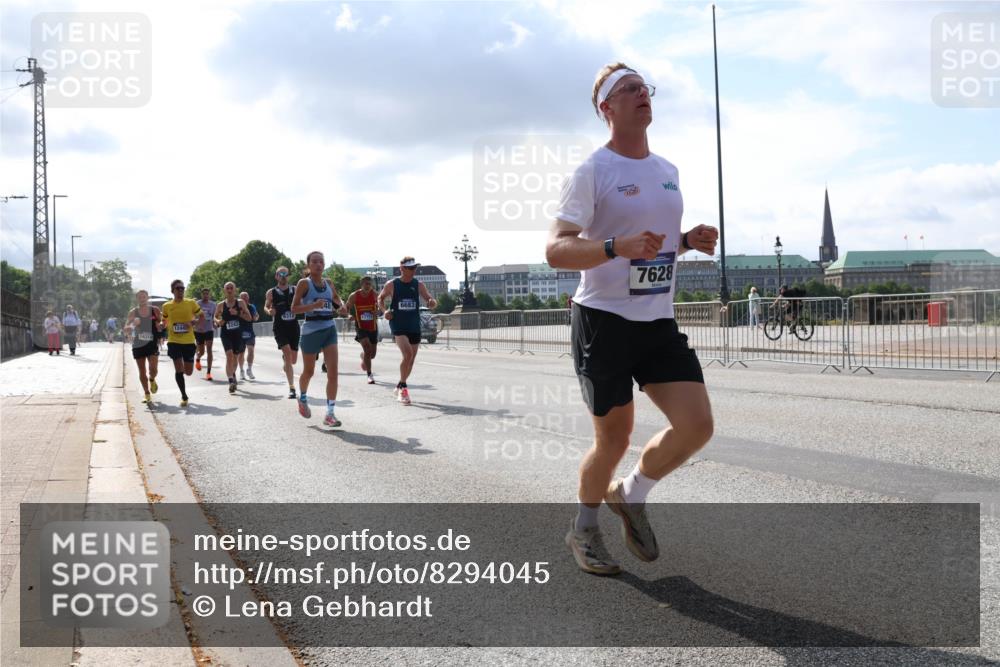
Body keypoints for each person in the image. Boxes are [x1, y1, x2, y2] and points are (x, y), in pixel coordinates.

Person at [545, 62, 719, 576]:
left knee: (697, 426)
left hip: (657, 319)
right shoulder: (593, 171)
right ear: (607, 108)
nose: (642, 94)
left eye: (645, 88)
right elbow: (556, 250)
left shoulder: (667, 171)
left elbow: (654, 245)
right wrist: (610, 246)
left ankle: (631, 493)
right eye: (629, 90)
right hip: (603, 320)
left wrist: (687, 241)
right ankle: (583, 530)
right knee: (614, 440)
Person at [290, 250, 346, 427]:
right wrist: (313, 305)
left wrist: (342, 306)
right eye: (314, 262)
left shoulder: (328, 282)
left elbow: (336, 298)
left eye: (321, 262)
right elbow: (294, 308)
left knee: (333, 373)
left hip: (329, 327)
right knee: (309, 371)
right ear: (308, 265)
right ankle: (303, 398)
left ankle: (330, 414)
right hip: (311, 330)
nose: (318, 264)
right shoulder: (304, 284)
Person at [378, 257, 436, 405]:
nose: (413, 270)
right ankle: (403, 389)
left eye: (414, 267)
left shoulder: (418, 284)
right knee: (407, 354)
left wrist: (432, 302)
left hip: (414, 325)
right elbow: (380, 298)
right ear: (402, 268)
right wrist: (385, 311)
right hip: (398, 324)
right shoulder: (392, 284)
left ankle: (400, 384)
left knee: (411, 360)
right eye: (410, 268)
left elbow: (430, 300)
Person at [161, 279, 204, 407]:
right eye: (178, 288)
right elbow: (165, 320)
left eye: (182, 288)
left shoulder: (191, 303)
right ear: (172, 291)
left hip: (188, 341)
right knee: (178, 368)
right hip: (174, 341)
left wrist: (193, 323)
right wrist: (161, 325)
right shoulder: (166, 306)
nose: (181, 290)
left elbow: (201, 316)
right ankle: (184, 396)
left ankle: (192, 361)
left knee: (189, 372)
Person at [265, 267, 301, 398]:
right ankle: (292, 388)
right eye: (281, 274)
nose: (283, 276)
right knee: (287, 353)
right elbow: (266, 306)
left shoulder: (295, 289)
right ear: (276, 276)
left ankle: (286, 362)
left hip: (293, 327)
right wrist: (269, 311)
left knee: (293, 360)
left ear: (288, 276)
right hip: (280, 327)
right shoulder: (271, 292)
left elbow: (302, 303)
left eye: (285, 274)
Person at [214, 282, 252, 394]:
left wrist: (238, 313)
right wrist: (219, 322)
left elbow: (249, 318)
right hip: (226, 334)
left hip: (237, 334)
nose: (229, 290)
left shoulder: (240, 303)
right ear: (224, 291)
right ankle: (230, 381)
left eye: (231, 288)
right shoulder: (221, 305)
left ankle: (233, 373)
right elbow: (215, 318)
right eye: (227, 288)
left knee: (235, 358)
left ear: (235, 290)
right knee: (229, 355)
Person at [125, 290, 162, 404]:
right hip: (138, 344)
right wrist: (132, 325)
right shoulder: (133, 312)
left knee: (153, 369)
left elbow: (161, 324)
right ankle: (146, 394)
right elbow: (126, 329)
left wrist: (160, 326)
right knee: (142, 370)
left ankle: (152, 379)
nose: (142, 298)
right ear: (137, 298)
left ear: (147, 298)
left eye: (144, 296)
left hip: (152, 344)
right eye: (140, 297)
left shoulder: (154, 310)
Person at [345, 275, 381, 385]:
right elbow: (346, 307)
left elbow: (382, 307)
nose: (368, 286)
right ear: (362, 284)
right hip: (360, 325)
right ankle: (369, 375)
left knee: (372, 354)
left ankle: (363, 357)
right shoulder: (354, 295)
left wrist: (378, 312)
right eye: (366, 284)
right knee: (367, 348)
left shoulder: (375, 295)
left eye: (370, 284)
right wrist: (348, 316)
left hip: (372, 326)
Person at [194, 288, 217, 381]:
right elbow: (193, 316)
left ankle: (208, 373)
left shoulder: (213, 304)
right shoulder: (197, 304)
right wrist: (196, 323)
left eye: (207, 294)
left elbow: (214, 316)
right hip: (199, 330)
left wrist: (215, 323)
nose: (206, 295)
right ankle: (198, 358)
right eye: (204, 294)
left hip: (209, 330)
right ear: (201, 295)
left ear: (209, 295)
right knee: (202, 352)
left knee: (209, 350)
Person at [237, 291, 259, 380]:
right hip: (239, 333)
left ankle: (249, 369)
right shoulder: (237, 307)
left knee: (251, 350)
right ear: (240, 299)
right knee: (241, 353)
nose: (245, 299)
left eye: (246, 297)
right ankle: (241, 370)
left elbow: (256, 316)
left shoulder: (251, 307)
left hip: (249, 332)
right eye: (243, 297)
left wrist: (256, 317)